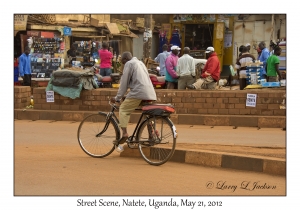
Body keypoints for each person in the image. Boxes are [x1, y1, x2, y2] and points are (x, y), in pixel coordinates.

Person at [110, 52, 157, 144]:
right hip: (149, 93)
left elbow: (124, 83)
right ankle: (151, 135)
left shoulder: (129, 64)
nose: (123, 65)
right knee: (147, 114)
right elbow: (138, 82)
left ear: (125, 59)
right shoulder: (141, 63)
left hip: (139, 93)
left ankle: (124, 133)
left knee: (123, 109)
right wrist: (126, 96)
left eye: (123, 62)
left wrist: (117, 97)